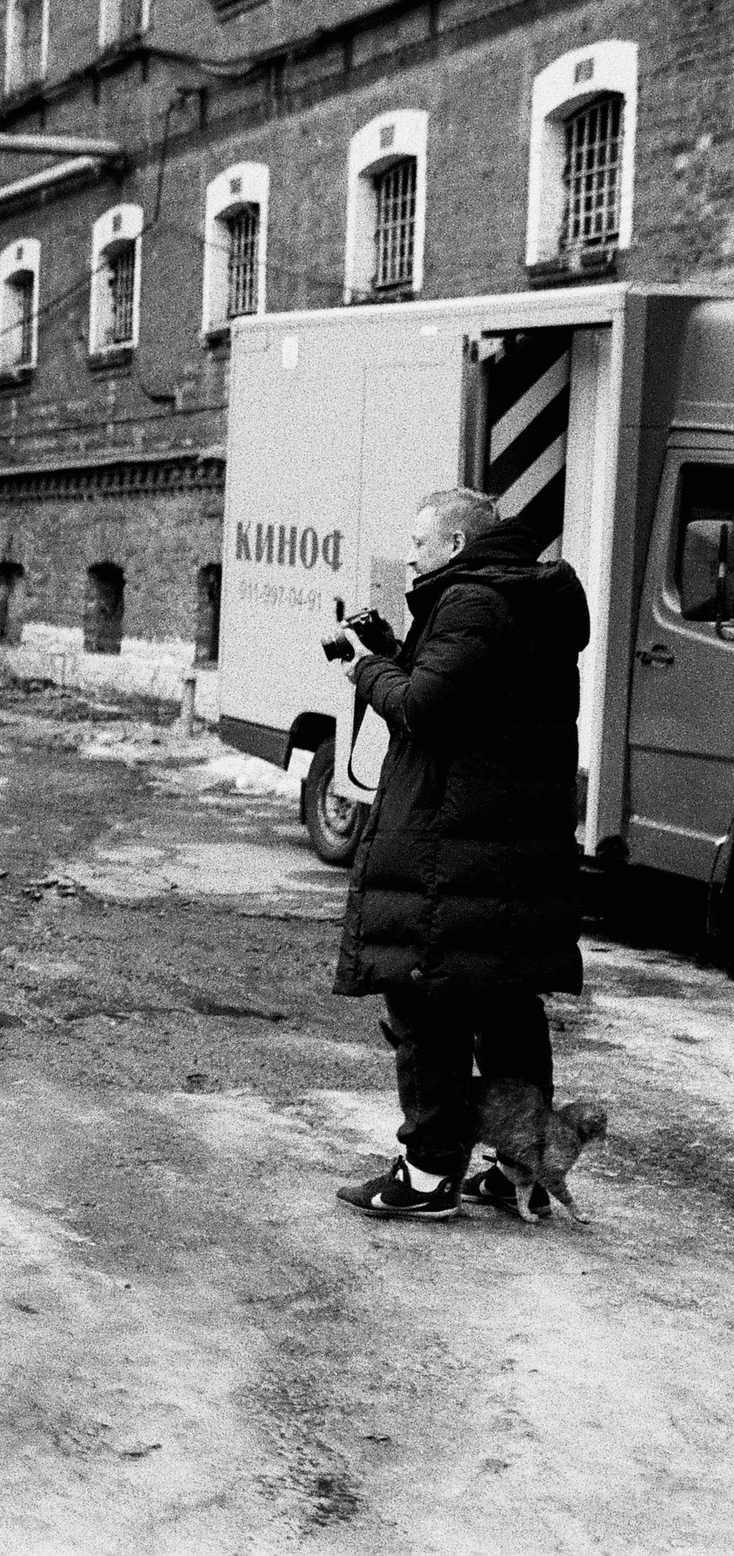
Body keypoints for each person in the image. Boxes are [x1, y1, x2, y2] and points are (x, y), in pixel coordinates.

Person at [330, 487, 591, 1220]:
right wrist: (396, 652)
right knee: (506, 1004)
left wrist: (365, 668)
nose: (410, 554)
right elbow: (470, 698)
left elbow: (424, 709)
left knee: (427, 1000)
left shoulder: (471, 601)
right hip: (510, 846)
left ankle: (426, 1175)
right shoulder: (526, 598)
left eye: (420, 542)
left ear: (454, 545)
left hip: (456, 847)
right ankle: (518, 1169)